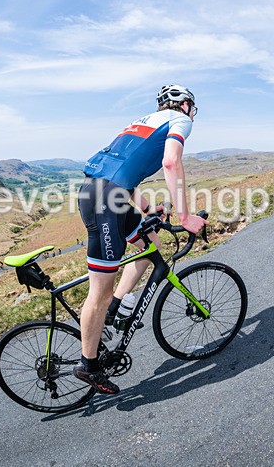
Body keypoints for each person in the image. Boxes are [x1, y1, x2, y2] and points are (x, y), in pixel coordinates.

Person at [74, 84, 207, 394]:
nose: (191, 112)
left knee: (150, 248)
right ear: (183, 104)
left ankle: (116, 308)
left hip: (104, 194)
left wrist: (149, 209)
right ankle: (89, 365)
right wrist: (185, 217)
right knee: (99, 291)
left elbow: (122, 174)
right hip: (107, 202)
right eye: (191, 106)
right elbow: (171, 162)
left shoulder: (142, 123)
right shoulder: (178, 120)